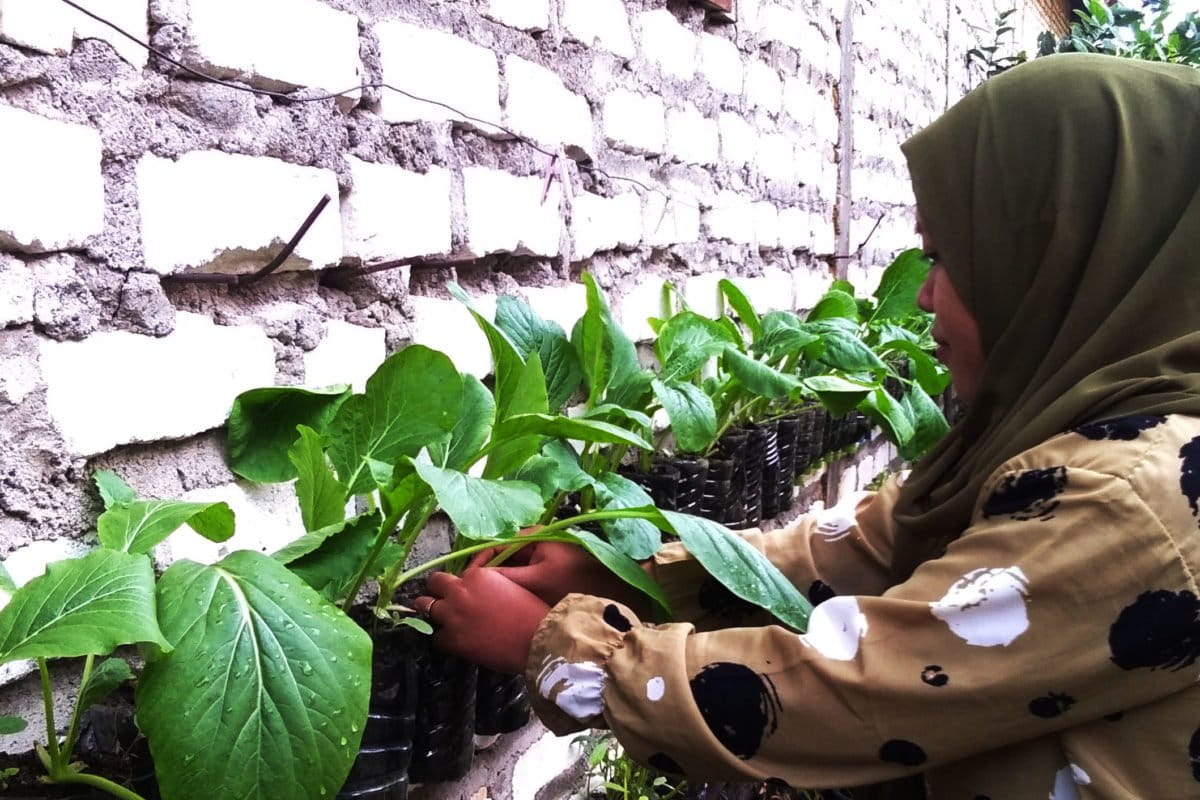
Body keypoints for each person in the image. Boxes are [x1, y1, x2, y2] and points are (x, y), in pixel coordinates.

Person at [416, 53, 1200, 799]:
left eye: (947, 260)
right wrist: (623, 574)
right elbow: (854, 552)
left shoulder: (1134, 497)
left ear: (1057, 260)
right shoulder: (1080, 428)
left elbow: (851, 691)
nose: (923, 296)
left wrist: (561, 649)